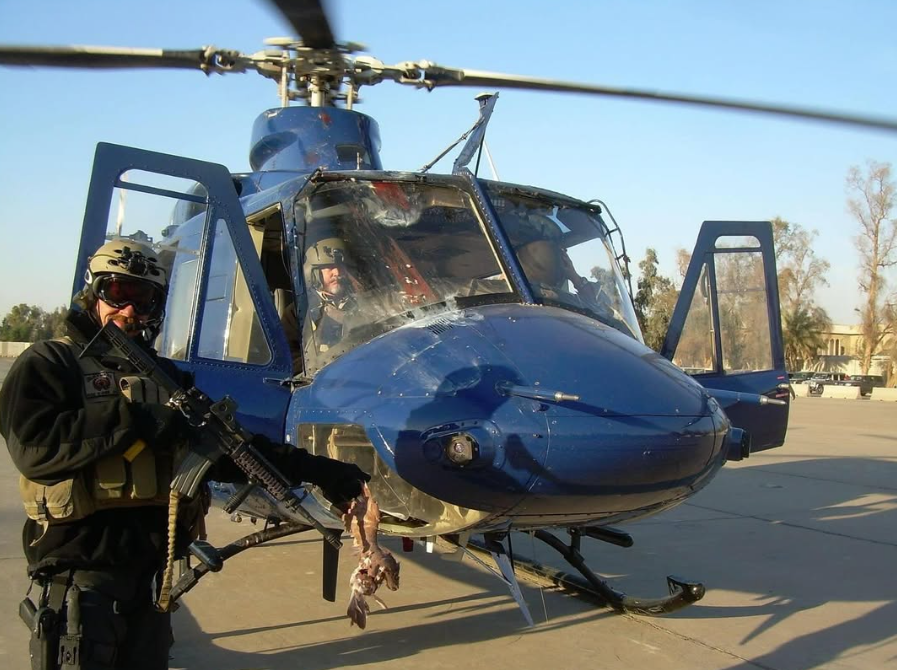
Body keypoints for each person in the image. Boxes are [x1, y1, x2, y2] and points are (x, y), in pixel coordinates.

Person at [0, 239, 369, 670]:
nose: (130, 309)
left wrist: (321, 470)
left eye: (144, 298)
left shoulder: (164, 377)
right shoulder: (51, 362)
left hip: (151, 580)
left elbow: (228, 447)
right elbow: (35, 447)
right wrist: (136, 419)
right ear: (94, 292)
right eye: (119, 292)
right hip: (82, 574)